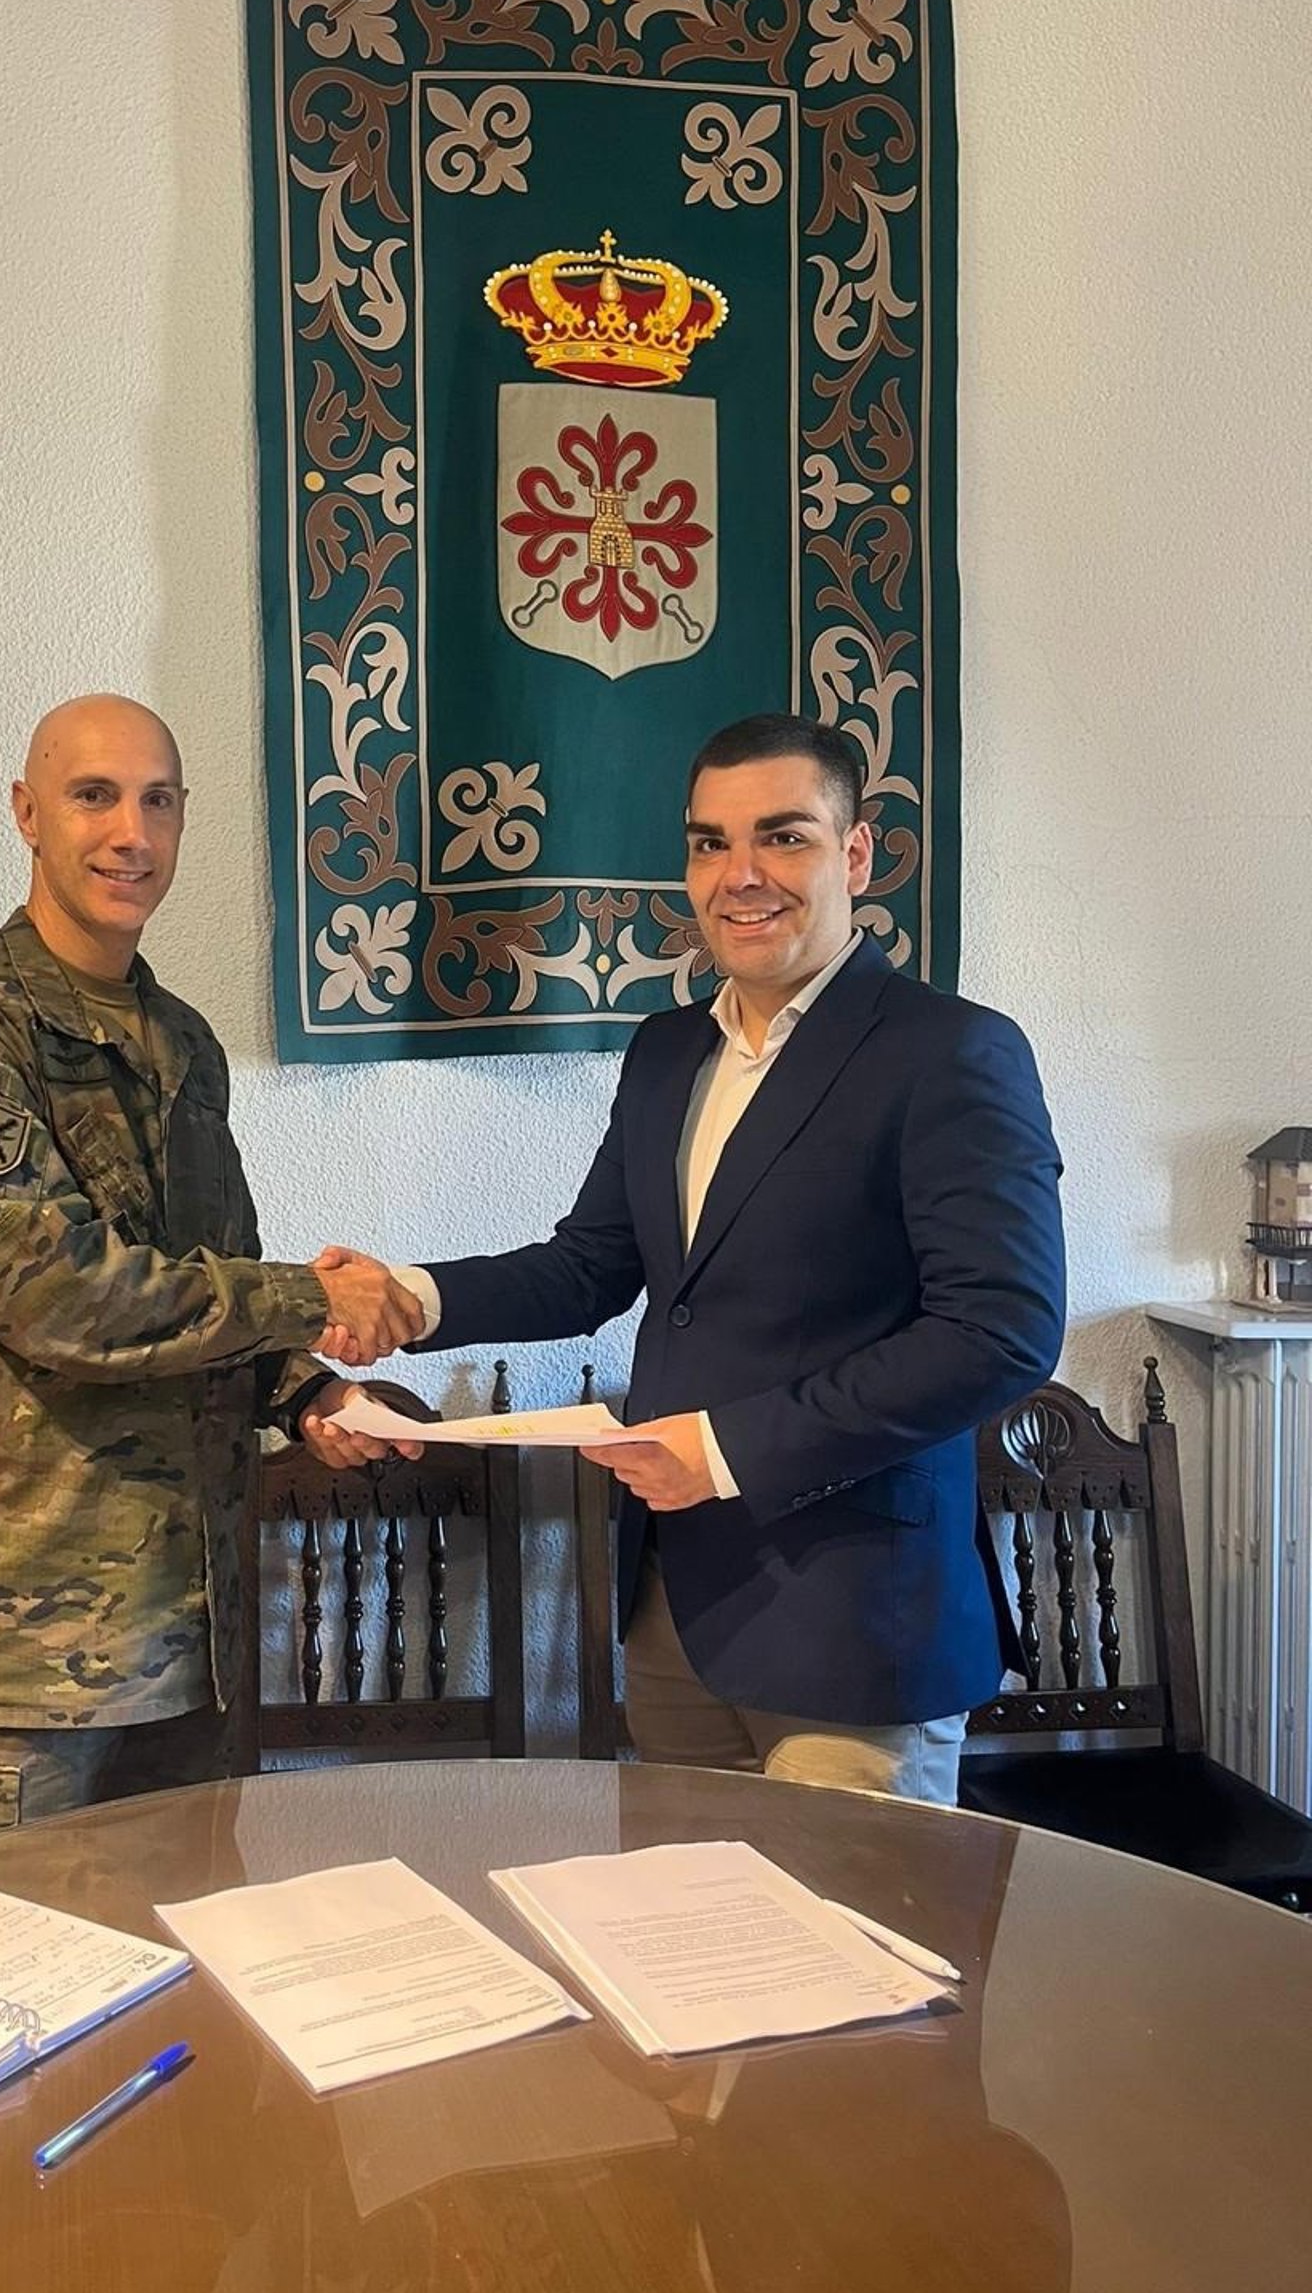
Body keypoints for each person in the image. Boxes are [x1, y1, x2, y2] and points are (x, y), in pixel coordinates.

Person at [316, 712, 1065, 1801]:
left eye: (784, 836)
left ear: (857, 854)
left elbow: (998, 1332)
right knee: (687, 1908)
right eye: (711, 843)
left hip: (857, 1621)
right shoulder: (669, 1050)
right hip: (677, 1609)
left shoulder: (950, 1050)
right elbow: (590, 1264)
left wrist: (725, 1449)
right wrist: (410, 1297)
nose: (740, 875)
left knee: (833, 1919)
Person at [0, 696, 421, 1860]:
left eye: (159, 801)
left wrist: (308, 1393)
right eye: (94, 796)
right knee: (5, 1969)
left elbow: (203, 1291)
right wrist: (312, 1297)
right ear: (27, 813)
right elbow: (55, 1296)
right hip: (17, 1671)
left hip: (192, 1644)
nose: (132, 833)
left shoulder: (182, 1043)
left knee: (188, 1964)